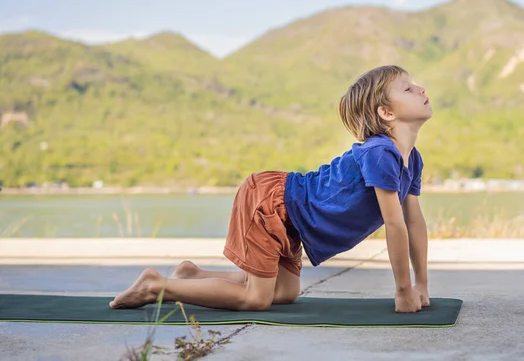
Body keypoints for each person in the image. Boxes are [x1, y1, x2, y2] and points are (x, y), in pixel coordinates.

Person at [109, 65, 433, 313]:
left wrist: (422, 285)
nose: (420, 88)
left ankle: (191, 275)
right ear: (386, 112)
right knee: (256, 299)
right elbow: (395, 224)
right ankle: (158, 286)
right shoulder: (380, 152)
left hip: (292, 217)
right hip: (271, 201)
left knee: (285, 293)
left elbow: (414, 222)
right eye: (408, 87)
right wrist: (403, 291)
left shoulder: (411, 160)